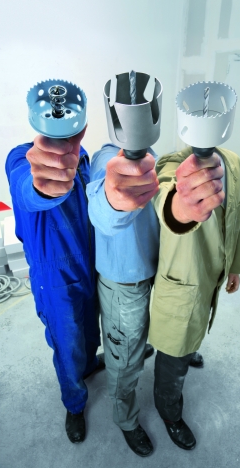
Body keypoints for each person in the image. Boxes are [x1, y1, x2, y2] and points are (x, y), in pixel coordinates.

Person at [86, 143, 205, 457]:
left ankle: (164, 352)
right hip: (125, 278)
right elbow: (102, 212)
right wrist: (113, 201)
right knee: (125, 358)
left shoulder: (154, 153)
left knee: (168, 330)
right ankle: (126, 420)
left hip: (161, 268)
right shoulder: (108, 160)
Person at [5, 125, 103, 444]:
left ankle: (90, 365)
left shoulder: (84, 158)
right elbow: (27, 190)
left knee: (89, 330)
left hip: (88, 263)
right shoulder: (21, 158)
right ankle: (74, 404)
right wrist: (44, 186)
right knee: (67, 342)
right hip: (55, 275)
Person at [148, 146, 240, 451]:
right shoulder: (174, 163)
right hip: (183, 280)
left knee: (195, 329)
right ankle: (169, 413)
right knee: (173, 356)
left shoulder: (232, 162)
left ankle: (189, 351)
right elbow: (166, 200)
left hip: (210, 275)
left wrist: (235, 265)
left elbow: (238, 218)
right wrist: (181, 208)